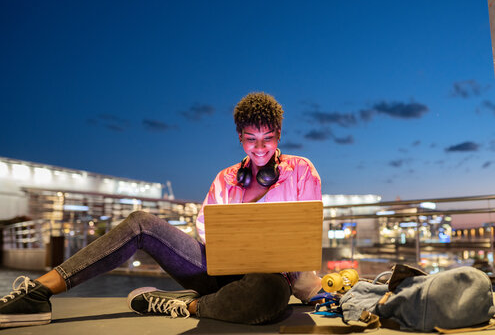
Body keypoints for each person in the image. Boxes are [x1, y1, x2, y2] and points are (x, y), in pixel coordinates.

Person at [0, 92, 322, 328]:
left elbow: (305, 233)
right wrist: (237, 244)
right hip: (217, 270)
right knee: (141, 222)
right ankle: (38, 292)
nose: (260, 147)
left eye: (267, 138)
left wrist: (308, 287)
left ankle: (185, 304)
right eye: (251, 139)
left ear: (278, 135)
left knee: (265, 295)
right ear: (240, 138)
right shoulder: (225, 179)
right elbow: (205, 228)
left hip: (269, 277)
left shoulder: (301, 171)